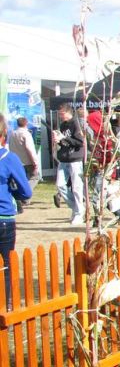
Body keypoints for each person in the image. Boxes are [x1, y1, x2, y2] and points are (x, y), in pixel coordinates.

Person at [0, 115, 32, 309]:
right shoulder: (8, 158)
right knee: (6, 264)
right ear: (4, 135)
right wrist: (13, 190)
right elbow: (26, 191)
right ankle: (4, 305)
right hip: (4, 218)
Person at [86, 111, 120, 226]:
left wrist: (106, 169)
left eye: (90, 123)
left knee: (97, 197)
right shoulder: (94, 138)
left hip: (106, 172)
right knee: (105, 197)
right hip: (98, 171)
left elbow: (113, 157)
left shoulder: (108, 141)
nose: (88, 126)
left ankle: (97, 221)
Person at [53, 103, 86, 225]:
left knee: (77, 187)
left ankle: (79, 213)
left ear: (68, 113)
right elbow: (64, 142)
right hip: (63, 159)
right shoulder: (63, 125)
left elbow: (80, 142)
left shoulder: (76, 124)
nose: (61, 116)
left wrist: (64, 138)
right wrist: (58, 140)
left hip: (75, 159)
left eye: (62, 114)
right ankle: (77, 208)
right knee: (60, 185)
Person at [8, 117, 39, 211]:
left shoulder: (12, 133)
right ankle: (24, 196)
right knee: (35, 177)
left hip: (16, 161)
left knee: (20, 180)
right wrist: (35, 161)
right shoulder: (26, 134)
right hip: (27, 161)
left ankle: (22, 198)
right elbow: (29, 148)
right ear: (26, 123)